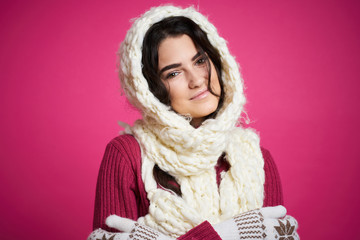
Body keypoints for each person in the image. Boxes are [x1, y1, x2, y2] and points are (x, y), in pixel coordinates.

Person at [88, 5, 299, 240]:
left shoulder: (257, 159)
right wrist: (223, 235)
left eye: (200, 61)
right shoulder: (127, 156)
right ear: (149, 89)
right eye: (173, 73)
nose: (197, 80)